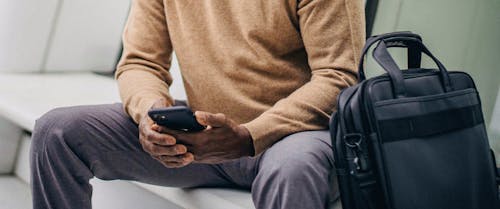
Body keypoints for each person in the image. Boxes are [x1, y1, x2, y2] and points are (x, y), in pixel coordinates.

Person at [30, 0, 365, 208]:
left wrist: (250, 135)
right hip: (202, 139)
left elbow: (339, 77)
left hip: (290, 137)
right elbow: (141, 63)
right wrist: (150, 115)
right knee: (57, 132)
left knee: (294, 169)